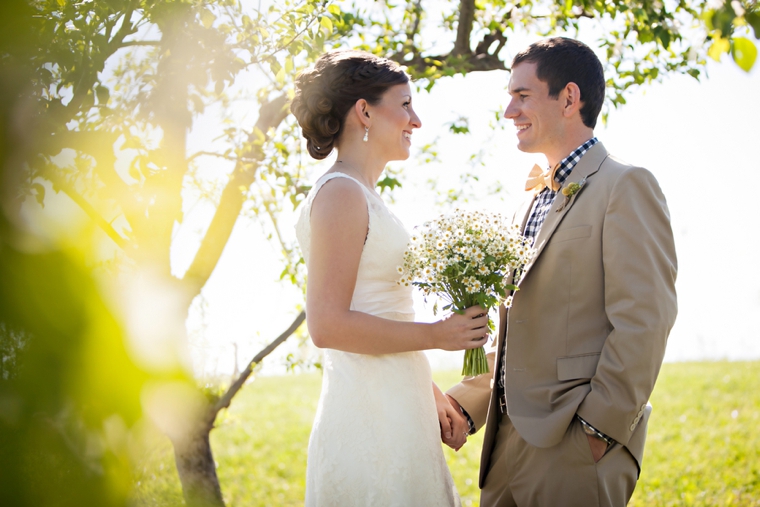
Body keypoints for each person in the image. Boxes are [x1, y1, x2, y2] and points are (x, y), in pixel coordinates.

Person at [444, 37, 678, 506]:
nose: (509, 111)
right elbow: (520, 334)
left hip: (575, 448)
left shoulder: (625, 186)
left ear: (569, 98)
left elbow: (644, 320)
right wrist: (465, 407)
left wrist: (597, 431)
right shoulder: (528, 202)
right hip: (502, 453)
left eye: (523, 96)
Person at [292, 49, 487, 506]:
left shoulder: (360, 193)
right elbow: (327, 324)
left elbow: (372, 310)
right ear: (364, 111)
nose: (415, 120)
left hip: (398, 407)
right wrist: (438, 335)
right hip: (370, 420)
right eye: (404, 104)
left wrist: (429, 390)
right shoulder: (340, 193)